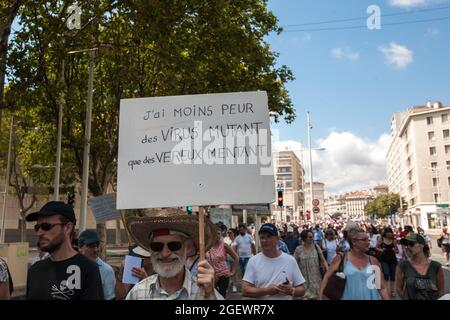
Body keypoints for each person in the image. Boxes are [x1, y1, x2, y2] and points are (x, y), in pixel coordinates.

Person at [125, 208, 222, 300]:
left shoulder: (206, 293)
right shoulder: (138, 293)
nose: (165, 253)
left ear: (187, 248)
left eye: (174, 245)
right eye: (157, 246)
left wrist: (210, 296)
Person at [25, 201, 104, 300]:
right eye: (37, 227)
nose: (39, 233)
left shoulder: (88, 269)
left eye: (46, 226)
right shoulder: (35, 270)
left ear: (67, 228)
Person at [319, 227, 390, 300]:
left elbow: (382, 287)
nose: (368, 242)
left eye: (368, 239)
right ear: (354, 242)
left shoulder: (373, 261)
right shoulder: (341, 259)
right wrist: (320, 297)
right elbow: (326, 277)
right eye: (364, 240)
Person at [242, 223, 306, 300]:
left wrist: (291, 290)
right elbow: (245, 290)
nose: (265, 240)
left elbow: (302, 290)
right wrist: (266, 291)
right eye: (262, 237)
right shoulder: (253, 261)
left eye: (269, 237)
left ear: (277, 238)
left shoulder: (290, 260)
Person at [396, 233, 445, 300]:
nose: (408, 247)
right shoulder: (403, 265)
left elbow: (441, 291)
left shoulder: (436, 266)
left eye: (411, 244)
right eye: (406, 245)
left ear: (421, 245)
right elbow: (398, 288)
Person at [78, 229, 116, 300]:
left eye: (97, 245)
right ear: (80, 247)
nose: (95, 250)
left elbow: (110, 297)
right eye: (91, 246)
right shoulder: (72, 267)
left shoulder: (107, 270)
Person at [206, 225, 239, 298]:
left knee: (221, 296)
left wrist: (232, 272)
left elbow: (236, 257)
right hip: (211, 276)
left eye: (219, 234)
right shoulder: (207, 245)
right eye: (215, 233)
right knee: (211, 296)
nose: (217, 235)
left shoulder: (224, 245)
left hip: (223, 275)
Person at [294, 229, 328, 300]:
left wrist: (328, 271)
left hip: (316, 281)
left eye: (312, 236)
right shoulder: (298, 250)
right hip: (304, 281)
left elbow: (323, 260)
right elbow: (294, 264)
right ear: (304, 238)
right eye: (310, 237)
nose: (312, 238)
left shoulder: (316, 247)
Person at [376, 227, 399, 298]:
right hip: (384, 259)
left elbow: (397, 250)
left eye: (391, 233)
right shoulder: (381, 239)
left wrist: (394, 250)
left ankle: (392, 291)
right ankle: (386, 290)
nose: (390, 234)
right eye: (389, 233)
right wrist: (381, 250)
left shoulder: (394, 240)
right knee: (386, 274)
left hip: (392, 259)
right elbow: (376, 247)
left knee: (392, 275)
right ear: (385, 233)